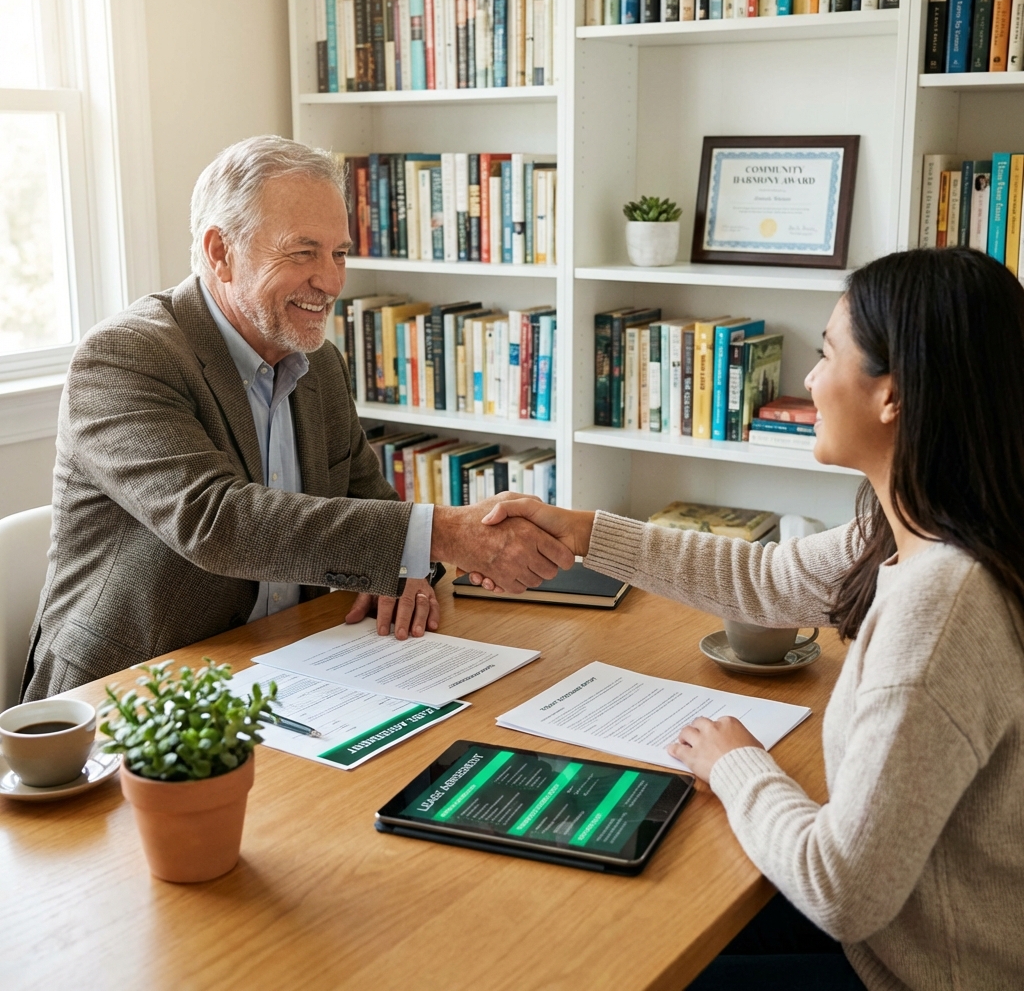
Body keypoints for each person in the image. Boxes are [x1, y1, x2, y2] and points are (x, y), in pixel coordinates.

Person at [476, 248, 1024, 990]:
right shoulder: (931, 528)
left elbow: (842, 890)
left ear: (891, 395)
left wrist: (736, 764)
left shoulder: (943, 604)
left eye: (827, 353)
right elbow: (760, 577)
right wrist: (580, 530)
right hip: (895, 936)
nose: (808, 380)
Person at [22, 135, 572, 701]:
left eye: (338, 253)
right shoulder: (126, 355)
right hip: (134, 687)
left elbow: (374, 507)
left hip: (291, 663)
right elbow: (215, 521)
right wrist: (445, 535)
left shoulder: (320, 364)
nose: (332, 282)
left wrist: (408, 571)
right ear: (220, 252)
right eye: (303, 252)